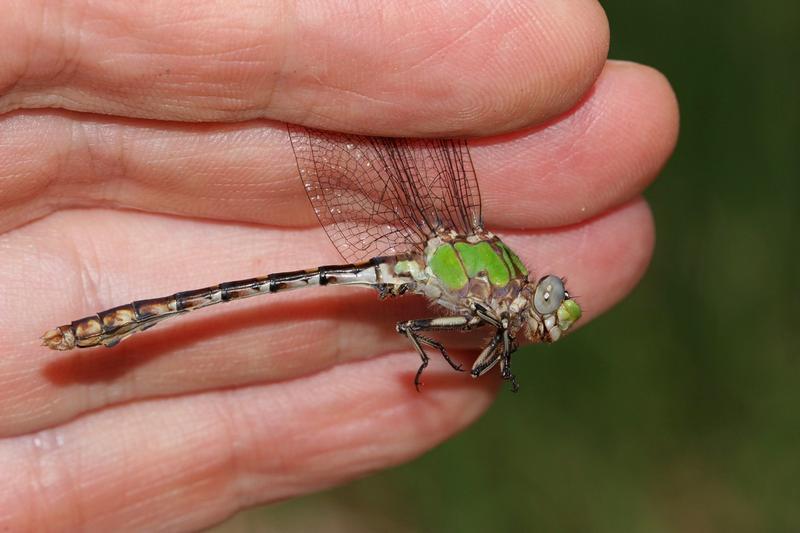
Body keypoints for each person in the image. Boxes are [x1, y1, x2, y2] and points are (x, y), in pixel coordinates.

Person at [0, 1, 677, 530]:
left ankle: (118, 324)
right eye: (544, 298)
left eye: (547, 307)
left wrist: (444, 338)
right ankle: (122, 322)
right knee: (243, 295)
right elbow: (448, 327)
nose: (543, 307)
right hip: (419, 264)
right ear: (523, 290)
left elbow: (448, 331)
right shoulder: (489, 284)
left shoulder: (490, 308)